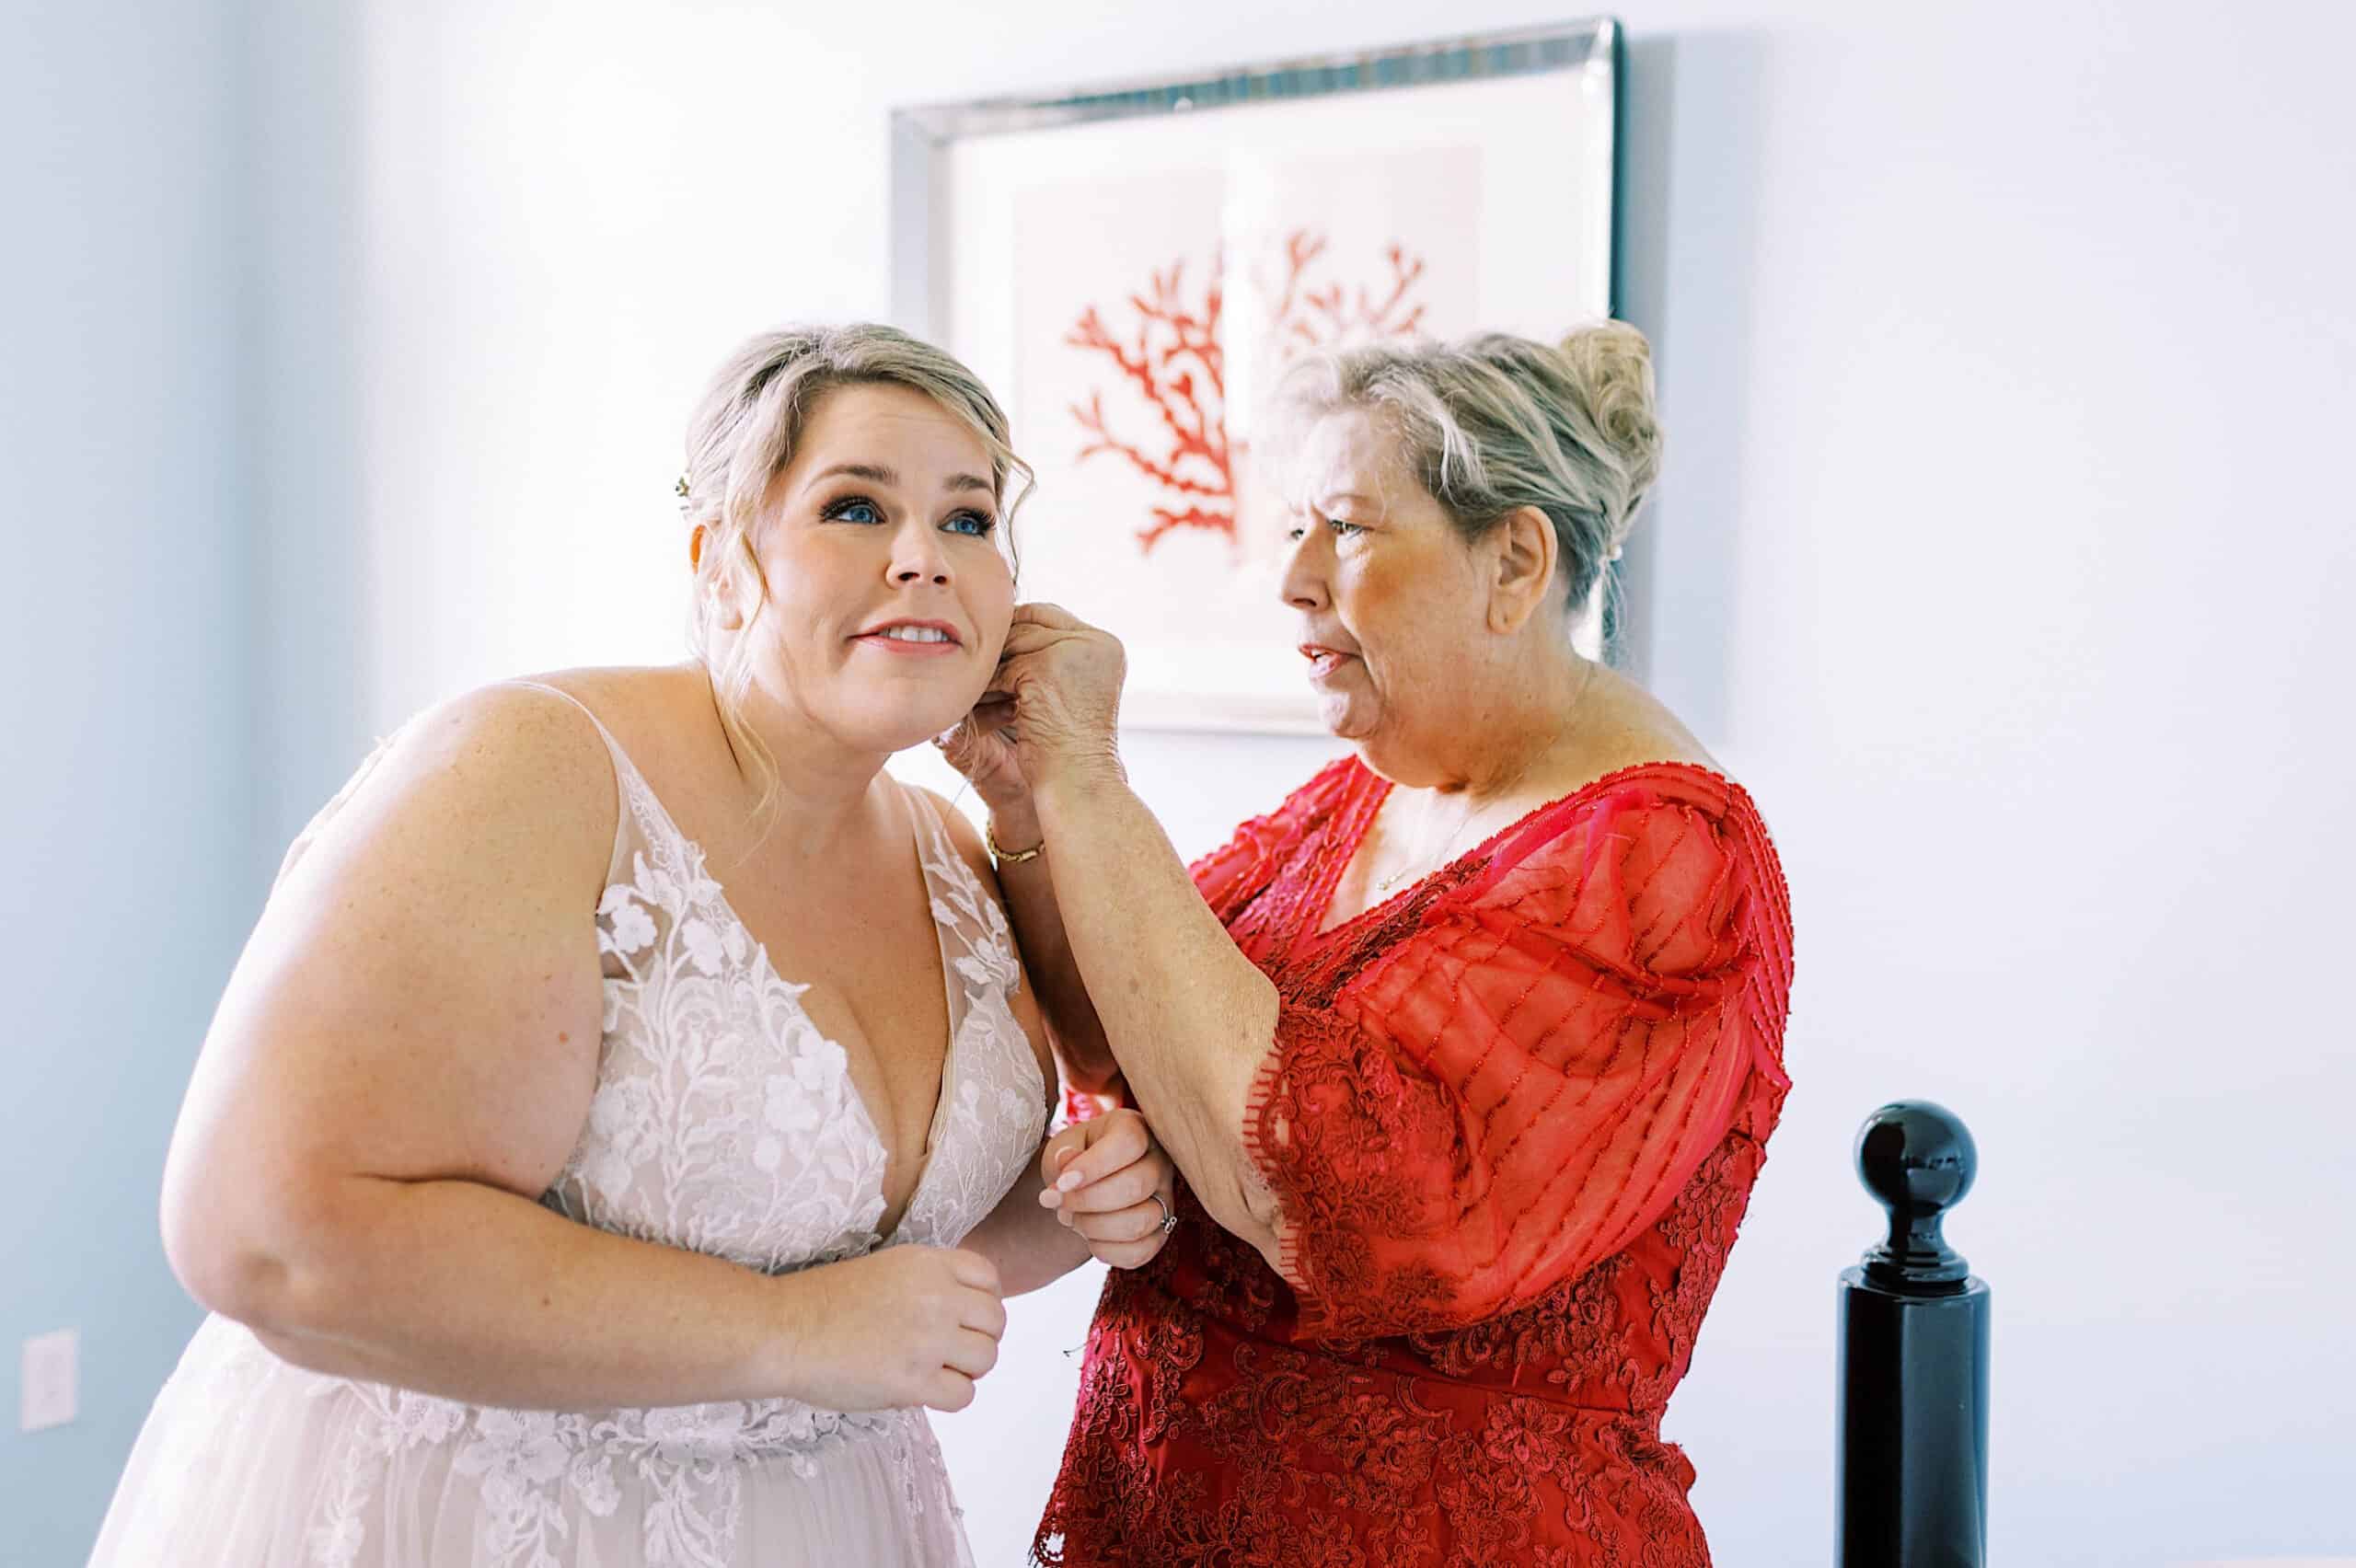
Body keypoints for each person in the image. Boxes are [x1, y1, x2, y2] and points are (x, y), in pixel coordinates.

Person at [87, 324, 1176, 1568]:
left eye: (970, 520)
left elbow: (882, 1268)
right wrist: (780, 1330)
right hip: (478, 1522)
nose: (924, 558)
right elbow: (265, 1237)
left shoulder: (951, 850)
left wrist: (1062, 1208)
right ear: (722, 561)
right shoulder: (529, 770)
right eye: (856, 508)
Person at [951, 321, 1796, 1565]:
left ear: (1513, 563)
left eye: (1344, 527)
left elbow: (1318, 1202)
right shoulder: (1367, 793)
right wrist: (1029, 807)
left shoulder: (1663, 864)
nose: (1292, 576)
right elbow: (1140, 1042)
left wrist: (1089, 778)